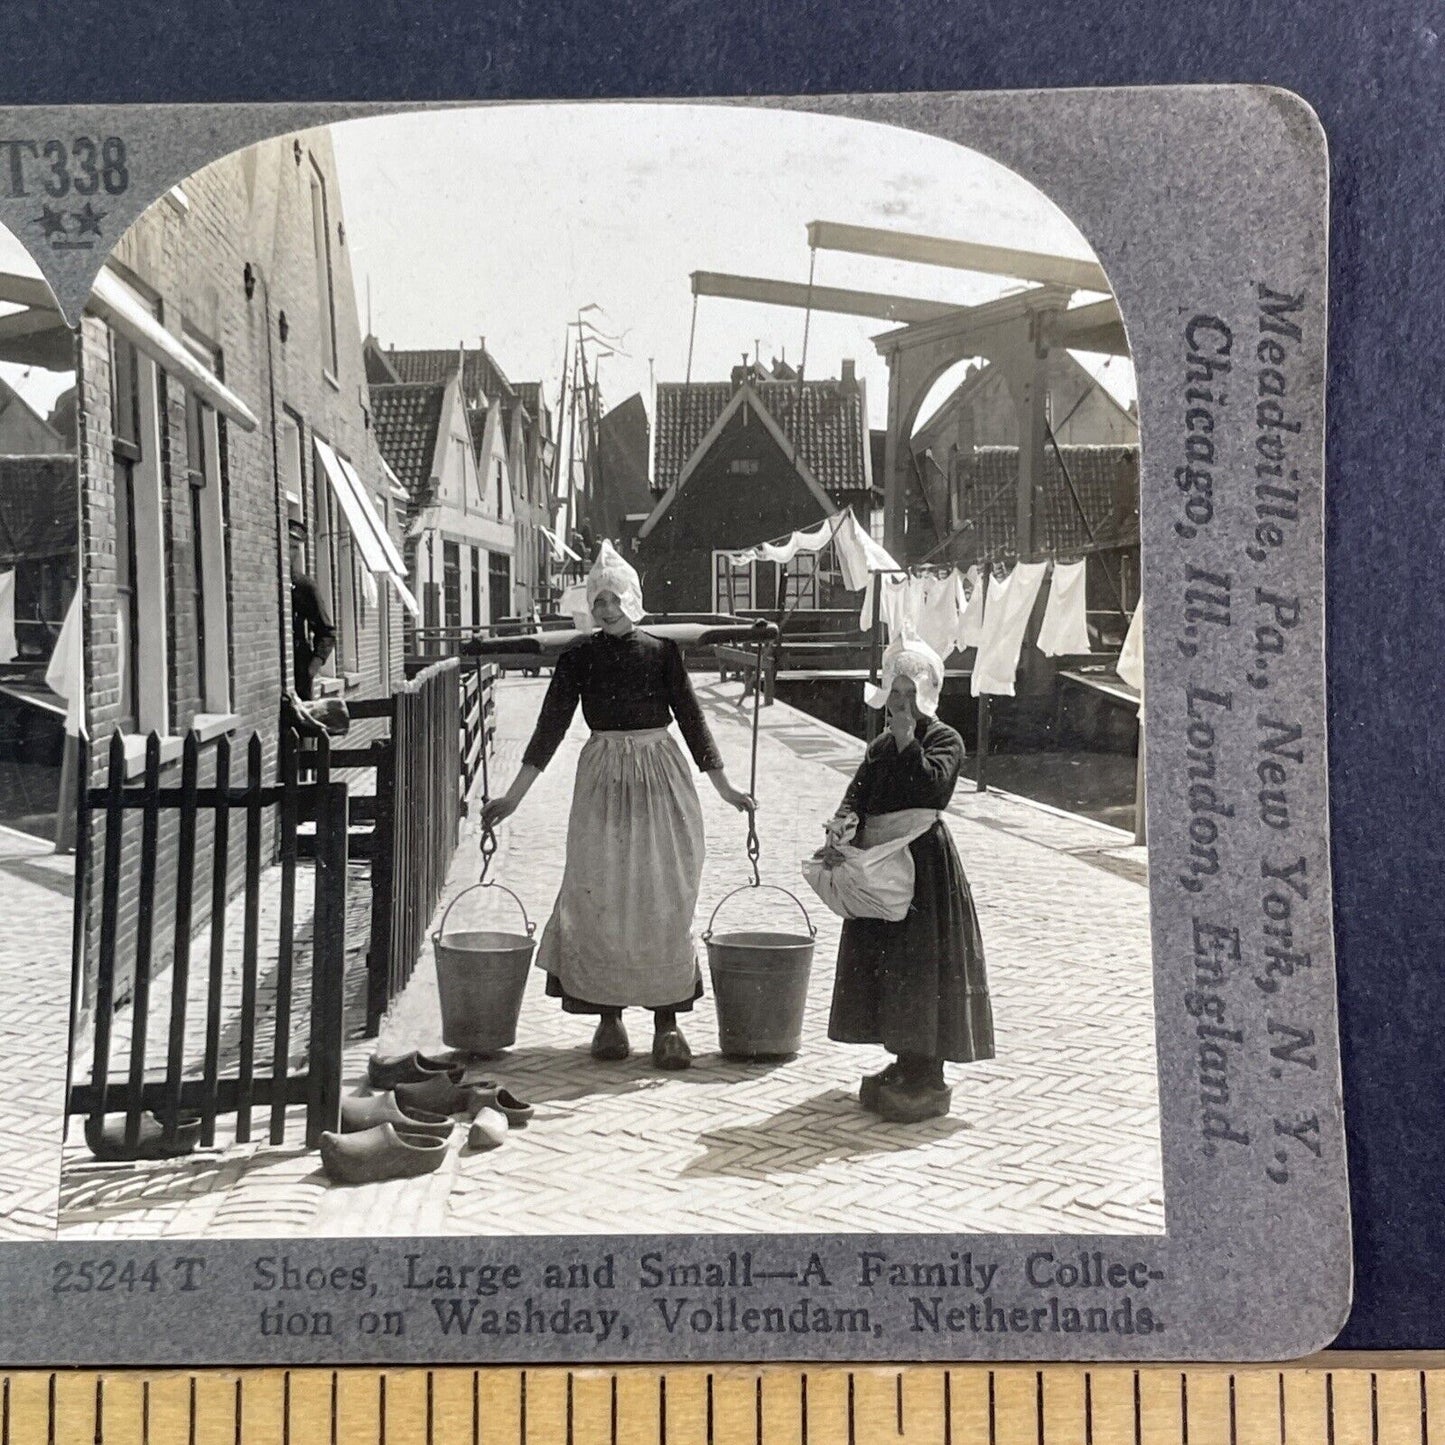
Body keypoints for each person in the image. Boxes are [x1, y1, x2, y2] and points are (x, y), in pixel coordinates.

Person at [482, 541, 754, 1069]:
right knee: (600, 895)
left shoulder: (661, 652)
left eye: (615, 598)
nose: (607, 608)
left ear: (633, 598)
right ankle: (608, 1020)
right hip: (603, 781)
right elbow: (549, 732)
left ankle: (667, 1022)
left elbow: (694, 722)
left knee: (663, 895)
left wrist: (726, 790)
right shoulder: (578, 658)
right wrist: (512, 799)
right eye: (598, 599)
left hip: (660, 779)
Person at [822, 637, 994, 1122]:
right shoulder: (878, 745)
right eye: (893, 694)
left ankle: (929, 1070)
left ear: (927, 695)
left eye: (908, 696)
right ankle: (903, 1060)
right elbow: (858, 791)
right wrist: (843, 823)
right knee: (888, 960)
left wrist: (905, 740)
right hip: (880, 863)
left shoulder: (945, 739)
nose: (899, 705)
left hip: (923, 867)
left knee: (923, 963)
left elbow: (932, 789)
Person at [289, 523, 336, 701]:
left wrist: (311, 668)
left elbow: (327, 631)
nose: (290, 553)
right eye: (288, 546)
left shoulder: (304, 586)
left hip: (299, 666)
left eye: (295, 548)